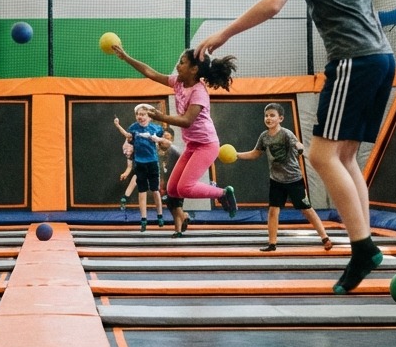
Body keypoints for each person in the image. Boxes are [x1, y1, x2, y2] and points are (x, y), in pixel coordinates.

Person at [196, 0, 396, 293]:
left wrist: (224, 33)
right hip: (383, 58)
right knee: (344, 157)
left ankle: (362, 248)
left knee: (323, 157)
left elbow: (272, 5)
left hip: (352, 60)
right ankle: (366, 241)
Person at [113, 45, 238, 235]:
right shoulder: (178, 82)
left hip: (206, 145)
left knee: (186, 187)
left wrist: (160, 117)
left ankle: (223, 193)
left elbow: (187, 121)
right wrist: (126, 57)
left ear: (194, 69)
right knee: (172, 189)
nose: (177, 66)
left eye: (182, 62)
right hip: (192, 145)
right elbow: (151, 73)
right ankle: (183, 217)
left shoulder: (199, 92)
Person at [236, 103, 333, 252]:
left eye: (272, 115)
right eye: (266, 115)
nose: (268, 118)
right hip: (276, 180)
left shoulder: (286, 134)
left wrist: (300, 148)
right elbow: (255, 153)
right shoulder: (264, 137)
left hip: (294, 179)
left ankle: (324, 237)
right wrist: (237, 155)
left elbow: (298, 144)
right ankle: (272, 243)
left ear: (280, 118)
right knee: (273, 210)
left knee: (306, 209)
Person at [114, 106, 167, 232]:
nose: (140, 117)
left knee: (155, 190)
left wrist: (157, 139)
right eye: (138, 114)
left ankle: (160, 215)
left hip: (152, 162)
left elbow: (163, 140)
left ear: (149, 117)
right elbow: (127, 135)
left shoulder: (156, 128)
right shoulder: (133, 128)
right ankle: (144, 219)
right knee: (142, 191)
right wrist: (117, 125)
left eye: (143, 114)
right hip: (139, 162)